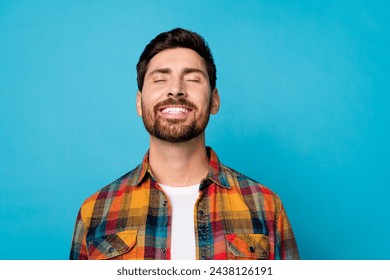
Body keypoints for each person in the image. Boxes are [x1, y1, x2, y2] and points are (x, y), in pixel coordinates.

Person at [69, 28, 299, 260]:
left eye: (192, 79)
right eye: (160, 79)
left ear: (214, 101)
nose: (176, 89)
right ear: (139, 103)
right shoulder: (94, 212)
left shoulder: (266, 206)